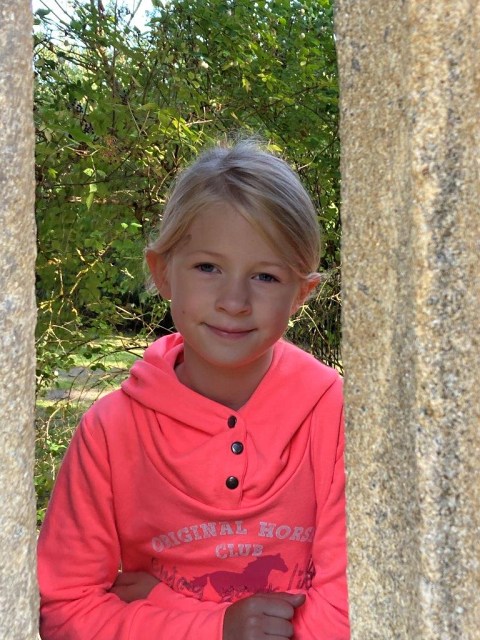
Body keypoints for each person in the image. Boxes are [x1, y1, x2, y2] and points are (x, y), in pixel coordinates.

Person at [37, 139, 350, 639]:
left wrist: (166, 604)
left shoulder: (334, 415)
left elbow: (349, 613)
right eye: (208, 267)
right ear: (163, 272)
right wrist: (215, 628)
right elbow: (65, 611)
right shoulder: (111, 432)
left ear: (301, 293)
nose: (234, 300)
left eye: (265, 276)